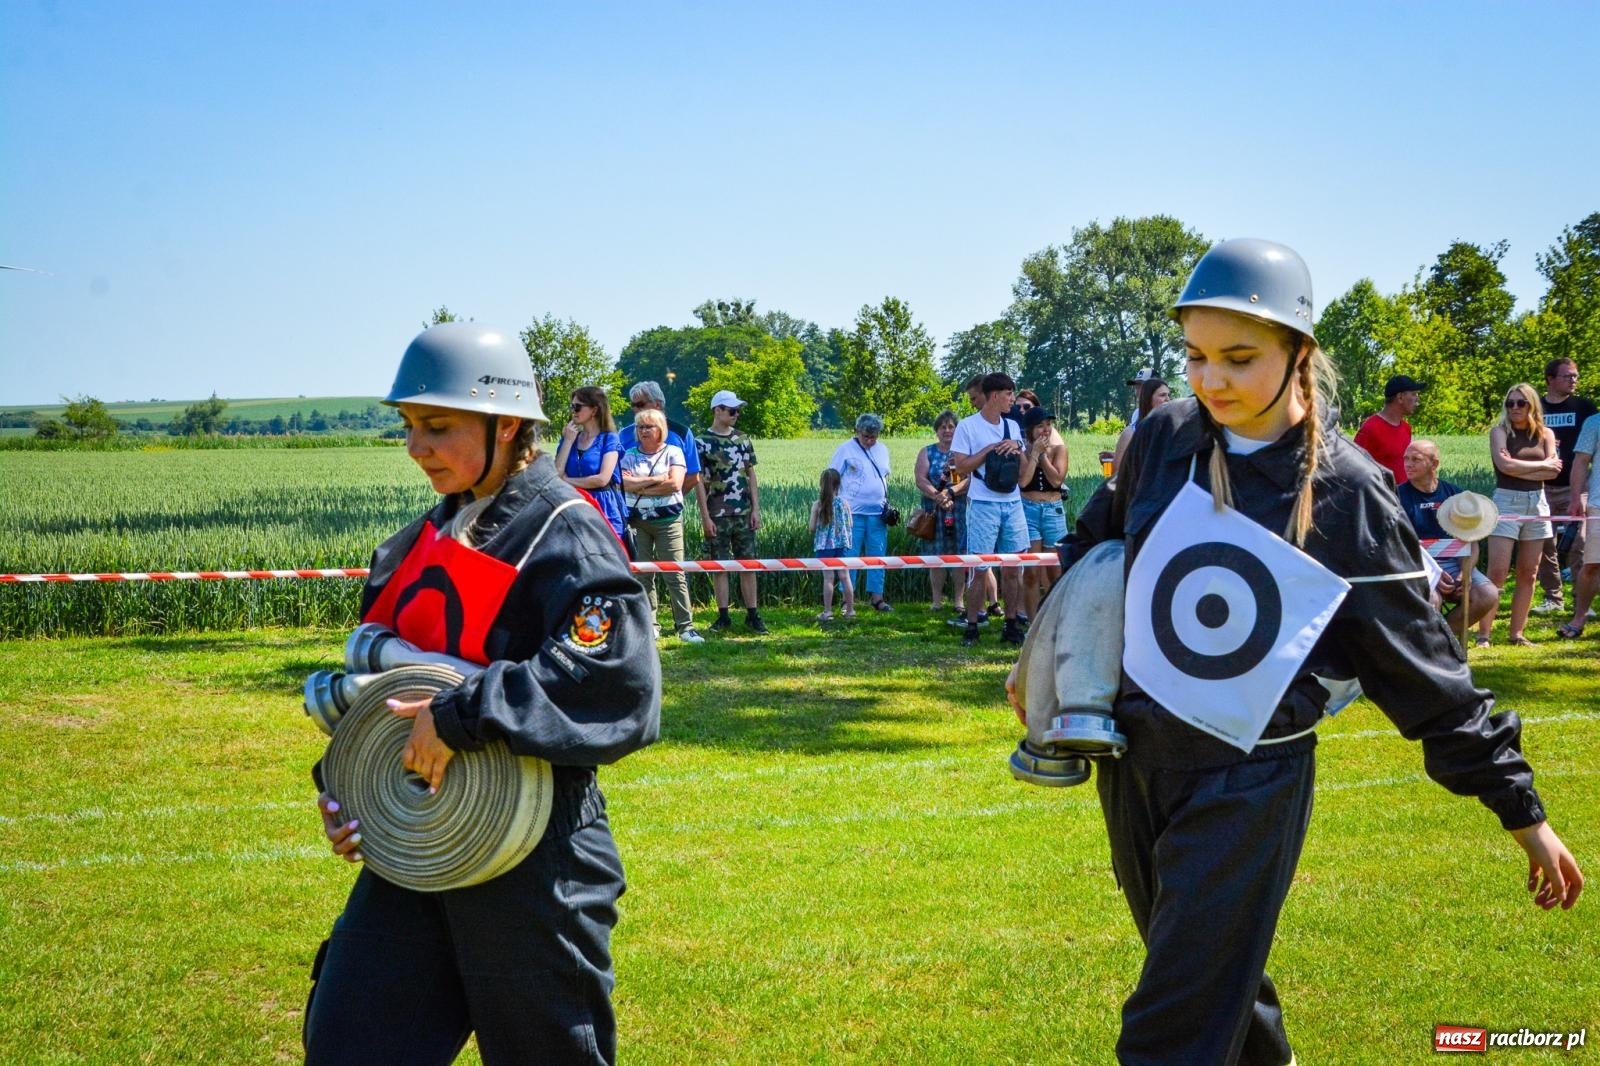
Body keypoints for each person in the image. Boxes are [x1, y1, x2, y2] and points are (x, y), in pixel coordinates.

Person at [1013, 239, 1581, 1066]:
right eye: (1196, 356)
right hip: (1135, 764)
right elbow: (1095, 550)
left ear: (1298, 353)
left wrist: (1522, 812)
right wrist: (1048, 657)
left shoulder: (1349, 490)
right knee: (1223, 995)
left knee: (1171, 1027)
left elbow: (1423, 670)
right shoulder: (1164, 437)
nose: (1212, 379)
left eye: (1239, 358)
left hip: (1250, 782)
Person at [305, 322, 661, 1066]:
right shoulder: (415, 543)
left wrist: (460, 713)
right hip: (413, 850)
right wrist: (348, 786)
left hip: (537, 861)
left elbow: (615, 679)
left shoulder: (565, 534)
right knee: (347, 1044)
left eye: (437, 426)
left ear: (506, 426)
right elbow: (384, 691)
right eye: (408, 426)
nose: (416, 446)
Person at [1476, 382, 1560, 648]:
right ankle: (1484, 635)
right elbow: (1504, 466)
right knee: (1497, 572)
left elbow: (1553, 472)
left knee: (1529, 572)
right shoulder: (1499, 432)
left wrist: (1519, 466)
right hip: (1506, 502)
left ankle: (1517, 634)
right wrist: (1541, 464)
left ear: (1531, 405)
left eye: (1520, 403)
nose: (1514, 407)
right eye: (1510, 403)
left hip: (1538, 503)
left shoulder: (1546, 433)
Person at [948, 373, 1027, 647]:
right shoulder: (968, 427)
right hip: (982, 503)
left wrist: (1017, 446)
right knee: (979, 568)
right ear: (995, 396)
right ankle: (972, 626)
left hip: (1013, 502)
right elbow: (961, 467)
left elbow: (1023, 467)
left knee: (1013, 568)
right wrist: (990, 449)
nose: (1012, 399)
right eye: (1009, 394)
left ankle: (1011, 625)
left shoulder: (1012, 426)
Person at [620, 406, 703, 644]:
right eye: (640, 427)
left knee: (675, 573)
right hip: (638, 522)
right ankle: (650, 625)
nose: (643, 431)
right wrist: (657, 479)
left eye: (649, 427)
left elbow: (674, 484)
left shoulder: (674, 452)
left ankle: (685, 627)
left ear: (661, 429)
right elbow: (624, 484)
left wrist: (640, 485)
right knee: (643, 575)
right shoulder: (629, 454)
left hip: (668, 522)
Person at [1396, 439, 1499, 626]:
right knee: (1431, 599)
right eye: (1406, 459)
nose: (1408, 464)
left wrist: (1465, 574)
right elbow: (1398, 546)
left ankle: (1446, 637)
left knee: (1488, 594)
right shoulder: (1396, 497)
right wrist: (1434, 573)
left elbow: (1471, 540)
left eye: (1415, 459)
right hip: (1416, 564)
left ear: (1434, 464)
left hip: (1455, 563)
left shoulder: (1455, 495)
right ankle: (1431, 639)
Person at [694, 390, 767, 634]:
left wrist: (756, 509)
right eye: (732, 410)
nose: (736, 414)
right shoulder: (701, 442)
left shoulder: (742, 439)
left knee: (749, 564)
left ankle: (753, 615)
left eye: (737, 411)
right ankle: (723, 616)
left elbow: (751, 474)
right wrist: (705, 517)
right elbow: (698, 482)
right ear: (717, 410)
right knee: (719, 566)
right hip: (717, 514)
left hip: (744, 513)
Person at [1535, 357, 1596, 614]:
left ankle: (1581, 601)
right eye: (1567, 376)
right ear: (1550, 379)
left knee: (1579, 544)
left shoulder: (1584, 407)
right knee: (1544, 544)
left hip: (1577, 487)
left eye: (1575, 376)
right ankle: (1553, 598)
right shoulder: (1535, 407)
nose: (1573, 380)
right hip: (1540, 487)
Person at [829, 413, 896, 612]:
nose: (869, 441)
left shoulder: (883, 450)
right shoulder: (845, 449)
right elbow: (832, 477)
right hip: (851, 514)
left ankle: (877, 598)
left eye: (873, 437)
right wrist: (833, 506)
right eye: (866, 436)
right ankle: (846, 600)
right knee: (850, 557)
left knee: (878, 556)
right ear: (857, 431)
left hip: (878, 514)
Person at [554, 386, 628, 544]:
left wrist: (566, 481)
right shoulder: (570, 438)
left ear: (594, 410)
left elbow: (602, 479)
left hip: (604, 510)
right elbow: (556, 473)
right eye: (572, 406)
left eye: (577, 407)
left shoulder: (609, 439)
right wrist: (568, 441)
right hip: (573, 507)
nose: (573, 411)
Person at [915, 410, 967, 612]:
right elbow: (921, 479)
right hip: (934, 512)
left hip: (958, 510)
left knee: (959, 556)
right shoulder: (927, 452)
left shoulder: (963, 453)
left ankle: (959, 601)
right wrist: (939, 496)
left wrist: (951, 493)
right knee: (936, 556)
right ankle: (936, 601)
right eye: (943, 427)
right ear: (936, 431)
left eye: (951, 426)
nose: (947, 430)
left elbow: (969, 480)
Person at [1018, 406, 1067, 620]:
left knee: (1055, 570)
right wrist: (1034, 454)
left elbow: (1056, 480)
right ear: (1030, 430)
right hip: (1029, 509)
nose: (1045, 429)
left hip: (1053, 510)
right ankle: (1032, 623)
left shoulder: (1059, 449)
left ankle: (1055, 620)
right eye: (1040, 426)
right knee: (1031, 572)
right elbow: (1023, 482)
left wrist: (1044, 457)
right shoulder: (1021, 452)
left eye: (1048, 425)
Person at [1557, 410, 1600, 640]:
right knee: (1592, 565)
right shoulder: (1594, 423)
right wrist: (1576, 499)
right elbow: (1581, 461)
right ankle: (1579, 618)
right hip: (1598, 505)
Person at [619, 380, 702, 492]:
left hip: (668, 501)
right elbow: (618, 476)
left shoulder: (682, 433)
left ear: (657, 404)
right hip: (631, 502)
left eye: (640, 405)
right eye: (633, 405)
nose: (635, 409)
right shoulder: (624, 434)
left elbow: (693, 476)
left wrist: (668, 496)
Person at [1352, 373, 1425, 484]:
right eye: (1413, 394)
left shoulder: (1406, 428)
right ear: (1400, 397)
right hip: (1380, 493)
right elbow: (1353, 466)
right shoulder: (1371, 428)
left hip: (1402, 493)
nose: (1417, 398)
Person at [810, 467, 855, 622]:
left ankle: (828, 611)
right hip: (841, 546)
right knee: (845, 576)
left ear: (821, 484)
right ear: (838, 485)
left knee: (828, 578)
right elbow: (850, 524)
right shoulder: (844, 504)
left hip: (824, 547)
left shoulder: (818, 505)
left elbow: (812, 527)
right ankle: (850, 610)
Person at [1111, 376, 1171, 477]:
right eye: (1162, 395)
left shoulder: (1172, 430)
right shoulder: (1131, 433)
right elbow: (1118, 474)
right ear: (1148, 398)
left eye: (1168, 395)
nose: (1168, 399)